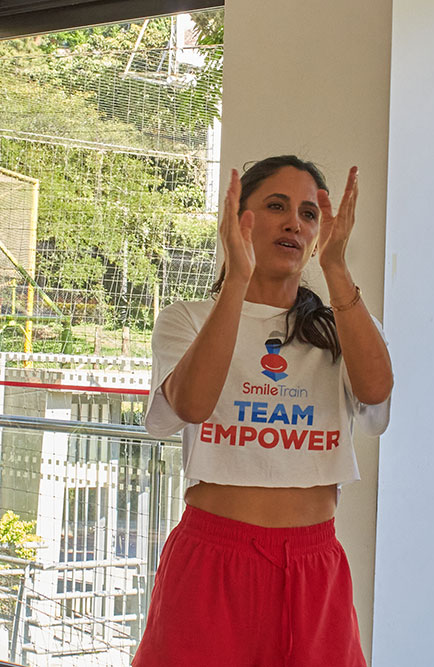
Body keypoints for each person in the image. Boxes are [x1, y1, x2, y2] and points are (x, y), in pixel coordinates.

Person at [133, 155, 392, 666]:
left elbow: (378, 392)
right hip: (213, 558)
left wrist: (336, 269)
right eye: (276, 206)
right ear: (239, 221)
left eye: (309, 213)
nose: (294, 221)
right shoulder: (187, 319)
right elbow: (191, 403)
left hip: (314, 563)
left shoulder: (341, 324)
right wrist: (237, 281)